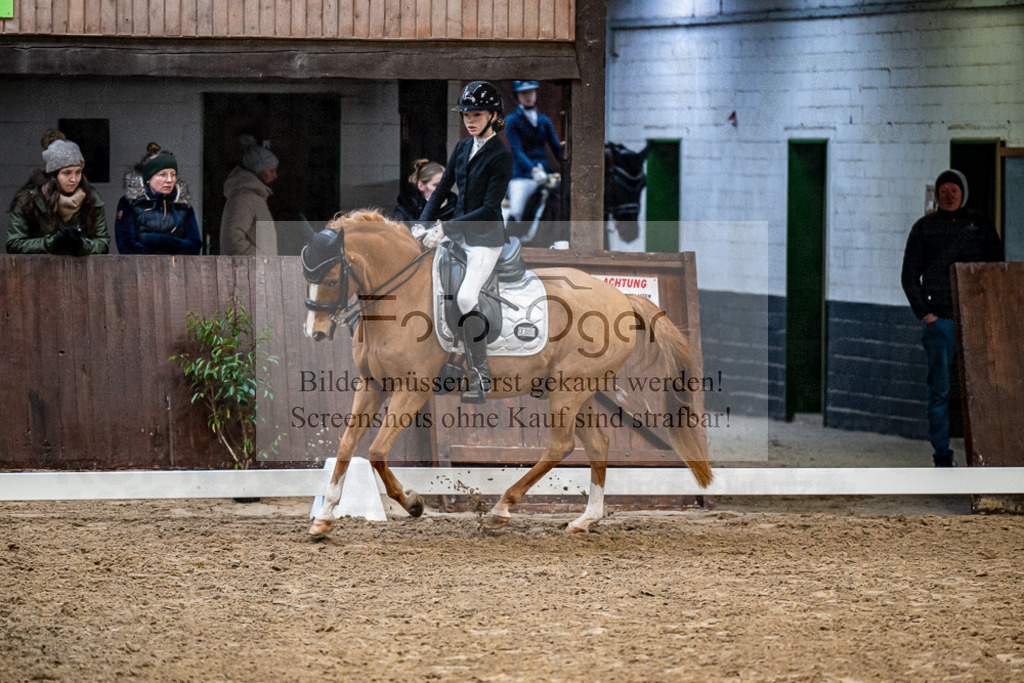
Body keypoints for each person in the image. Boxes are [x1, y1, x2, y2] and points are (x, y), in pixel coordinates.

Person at [416, 80, 513, 404]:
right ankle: (444, 360)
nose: (469, 120)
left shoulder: (501, 156)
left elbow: (488, 209)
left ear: (493, 115)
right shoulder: (461, 148)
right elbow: (443, 190)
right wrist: (423, 224)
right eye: (466, 114)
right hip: (456, 234)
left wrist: (444, 227)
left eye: (477, 114)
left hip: (485, 240)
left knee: (466, 297)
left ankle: (481, 373)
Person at [900, 169, 1003, 467]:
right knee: (940, 391)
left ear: (962, 193)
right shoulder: (923, 228)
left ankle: (987, 455)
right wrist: (926, 314)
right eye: (943, 190)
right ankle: (942, 455)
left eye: (954, 191)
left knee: (983, 389)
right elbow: (909, 276)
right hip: (940, 322)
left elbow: (996, 268)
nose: (949, 195)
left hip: (976, 322)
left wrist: (989, 314)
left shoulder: (980, 225)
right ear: (937, 194)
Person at [6, 130, 110, 255]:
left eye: (78, 172)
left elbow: (103, 243)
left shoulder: (91, 199)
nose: (74, 179)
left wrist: (82, 245)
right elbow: (14, 244)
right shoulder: (29, 200)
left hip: (82, 271)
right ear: (53, 175)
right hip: (39, 271)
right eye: (67, 172)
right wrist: (52, 243)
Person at [115, 143, 201, 255]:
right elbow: (126, 246)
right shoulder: (130, 203)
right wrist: (172, 248)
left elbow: (194, 246)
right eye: (163, 174)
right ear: (149, 177)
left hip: (177, 269)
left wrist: (155, 239)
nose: (170, 180)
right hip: (139, 269)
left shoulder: (183, 205)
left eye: (173, 174)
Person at [503, 80, 563, 224]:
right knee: (517, 210)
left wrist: (565, 166)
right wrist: (533, 170)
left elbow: (555, 147)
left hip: (545, 174)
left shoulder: (544, 121)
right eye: (524, 93)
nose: (528, 96)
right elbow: (517, 151)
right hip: (523, 174)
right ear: (517, 95)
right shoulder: (512, 121)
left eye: (531, 92)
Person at [220, 135, 279, 255]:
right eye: (271, 171)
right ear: (259, 170)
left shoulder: (255, 197)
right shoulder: (243, 198)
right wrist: (262, 261)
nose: (275, 176)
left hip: (257, 271)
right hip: (248, 271)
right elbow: (232, 240)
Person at [393, 158, 456, 225]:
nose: (442, 189)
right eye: (436, 185)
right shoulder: (406, 209)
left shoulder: (457, 206)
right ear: (421, 186)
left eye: (445, 185)